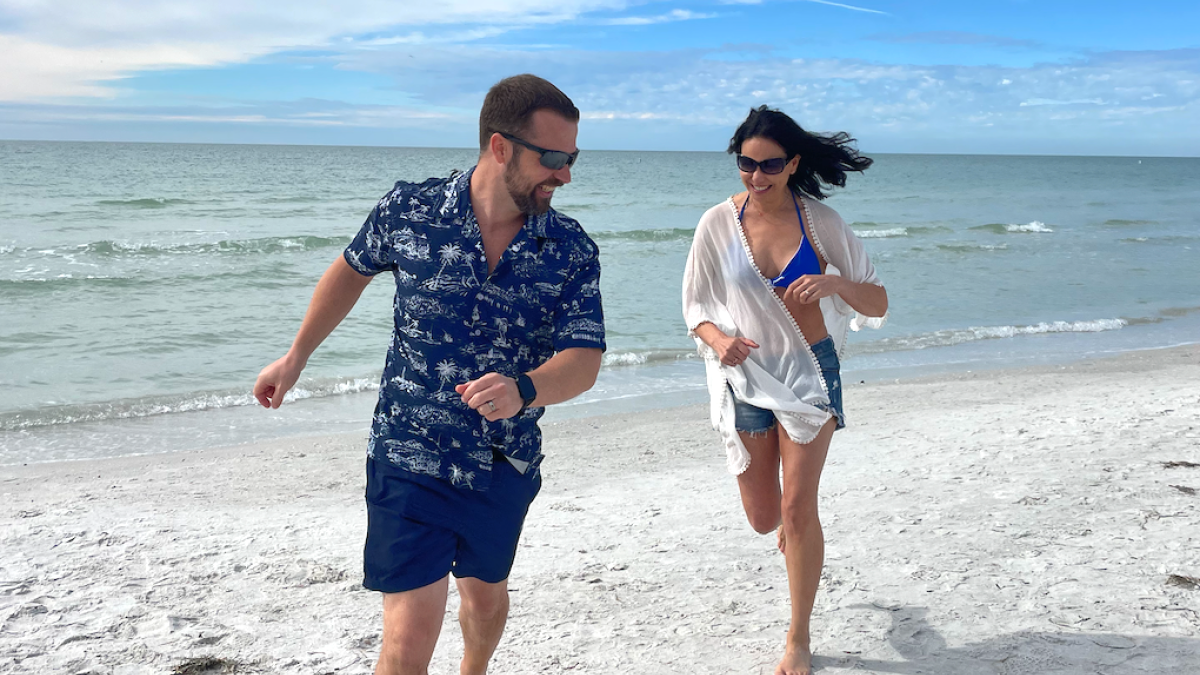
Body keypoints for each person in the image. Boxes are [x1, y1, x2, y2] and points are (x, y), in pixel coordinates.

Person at [252, 74, 605, 675]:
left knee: (484, 593)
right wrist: (296, 356)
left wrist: (523, 390)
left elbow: (584, 360)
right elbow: (350, 271)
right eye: (552, 158)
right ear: (500, 147)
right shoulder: (409, 210)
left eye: (572, 159)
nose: (565, 175)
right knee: (408, 638)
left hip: (502, 459)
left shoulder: (570, 248)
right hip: (408, 449)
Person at [681, 105, 888, 675]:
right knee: (764, 517)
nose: (756, 175)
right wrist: (719, 339)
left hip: (809, 374)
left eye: (770, 164)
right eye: (746, 163)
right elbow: (695, 309)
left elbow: (878, 302)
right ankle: (790, 539)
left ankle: (798, 637)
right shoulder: (716, 224)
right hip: (745, 375)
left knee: (799, 509)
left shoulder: (823, 224)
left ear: (793, 163)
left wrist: (834, 282)